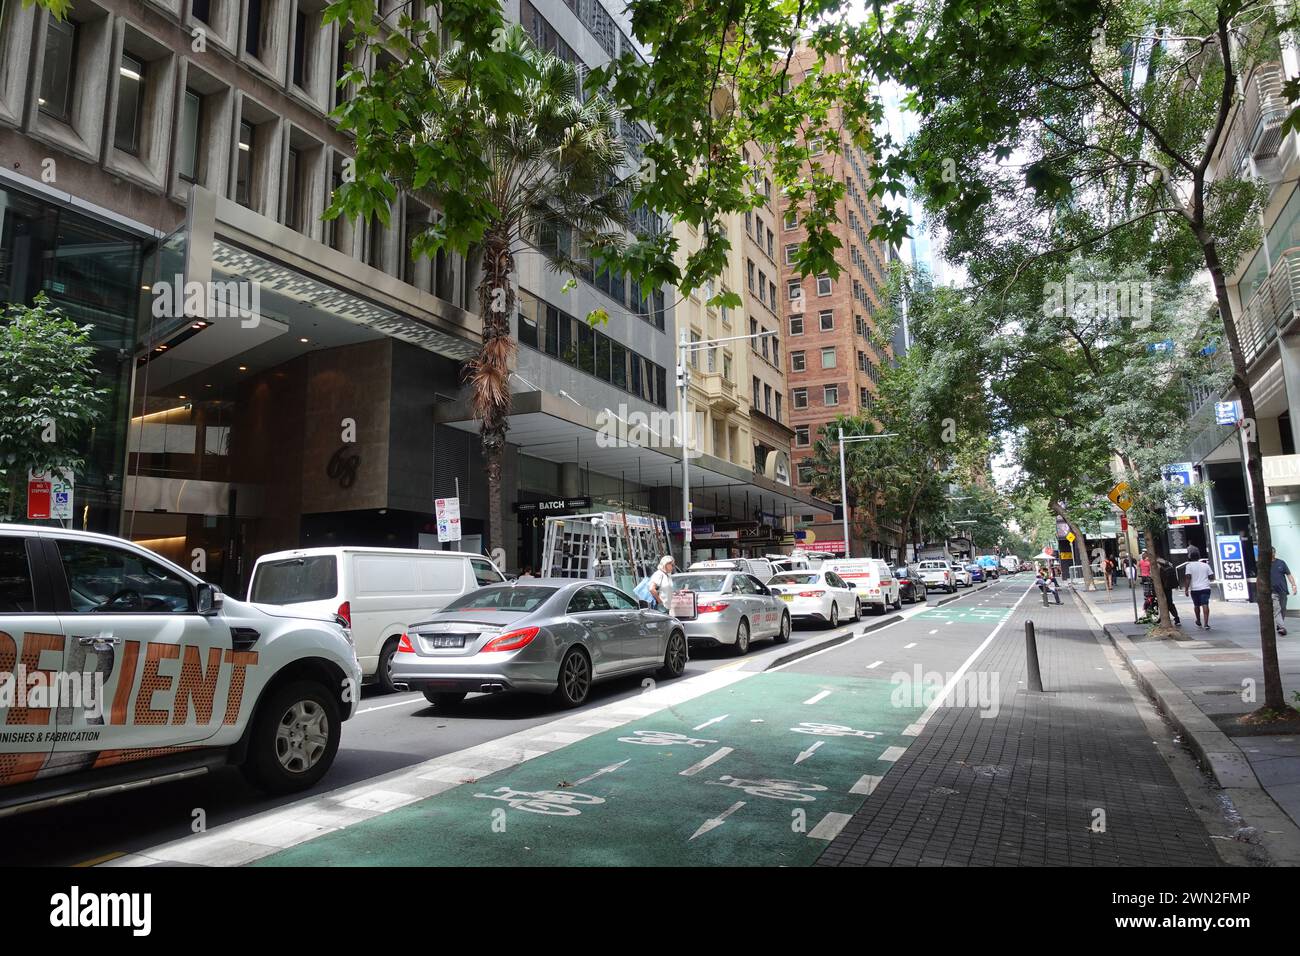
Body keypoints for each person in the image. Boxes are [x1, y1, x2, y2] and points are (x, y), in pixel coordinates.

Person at [1183, 546, 1213, 629]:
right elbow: (1211, 576)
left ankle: (1198, 620)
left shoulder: (1188, 566)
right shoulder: (1205, 565)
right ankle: (1206, 624)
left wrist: (1186, 589)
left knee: (1196, 605)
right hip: (1205, 588)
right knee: (1205, 604)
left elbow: (1188, 577)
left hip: (1195, 589)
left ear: (1190, 557)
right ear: (1199, 557)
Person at [1270, 547, 1298, 636]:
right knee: (1277, 609)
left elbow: (1289, 575)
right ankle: (1282, 627)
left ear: (1275, 553)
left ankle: (1279, 624)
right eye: (1271, 552)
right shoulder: (1265, 565)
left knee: (1283, 608)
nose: (1272, 554)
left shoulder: (1281, 563)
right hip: (1272, 591)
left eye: (1273, 552)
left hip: (1283, 590)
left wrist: (1293, 585)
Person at [1157, 556, 1182, 626]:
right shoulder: (1166, 563)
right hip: (1168, 586)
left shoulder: (1157, 564)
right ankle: (1175, 618)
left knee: (1165, 603)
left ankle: (1173, 618)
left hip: (1163, 587)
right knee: (1169, 602)